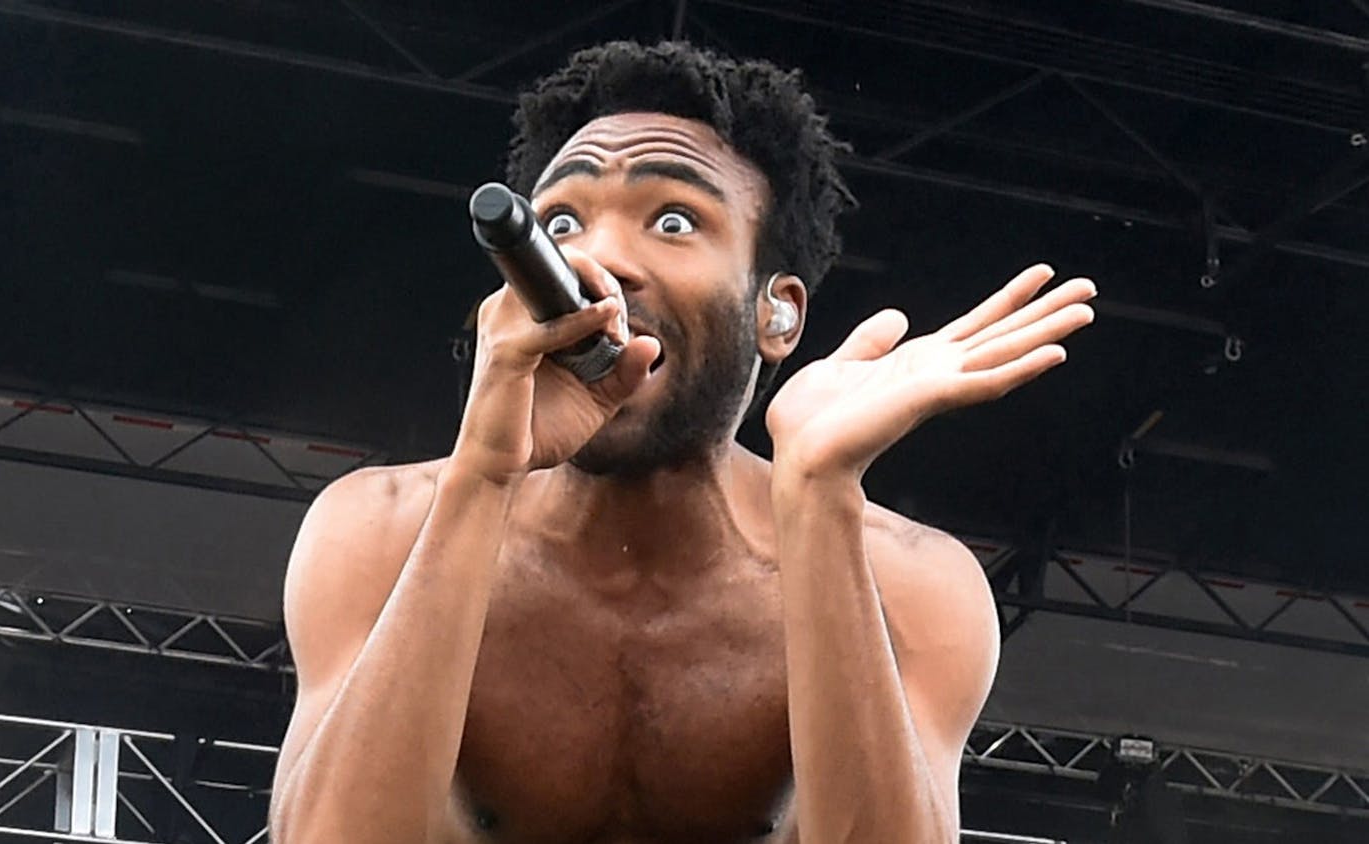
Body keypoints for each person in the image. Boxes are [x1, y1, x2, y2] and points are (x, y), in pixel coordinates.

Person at [267, 40, 1096, 844]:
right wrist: (483, 477)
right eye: (562, 223)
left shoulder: (909, 583)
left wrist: (820, 497)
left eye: (672, 220)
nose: (599, 259)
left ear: (778, 314)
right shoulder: (377, 530)